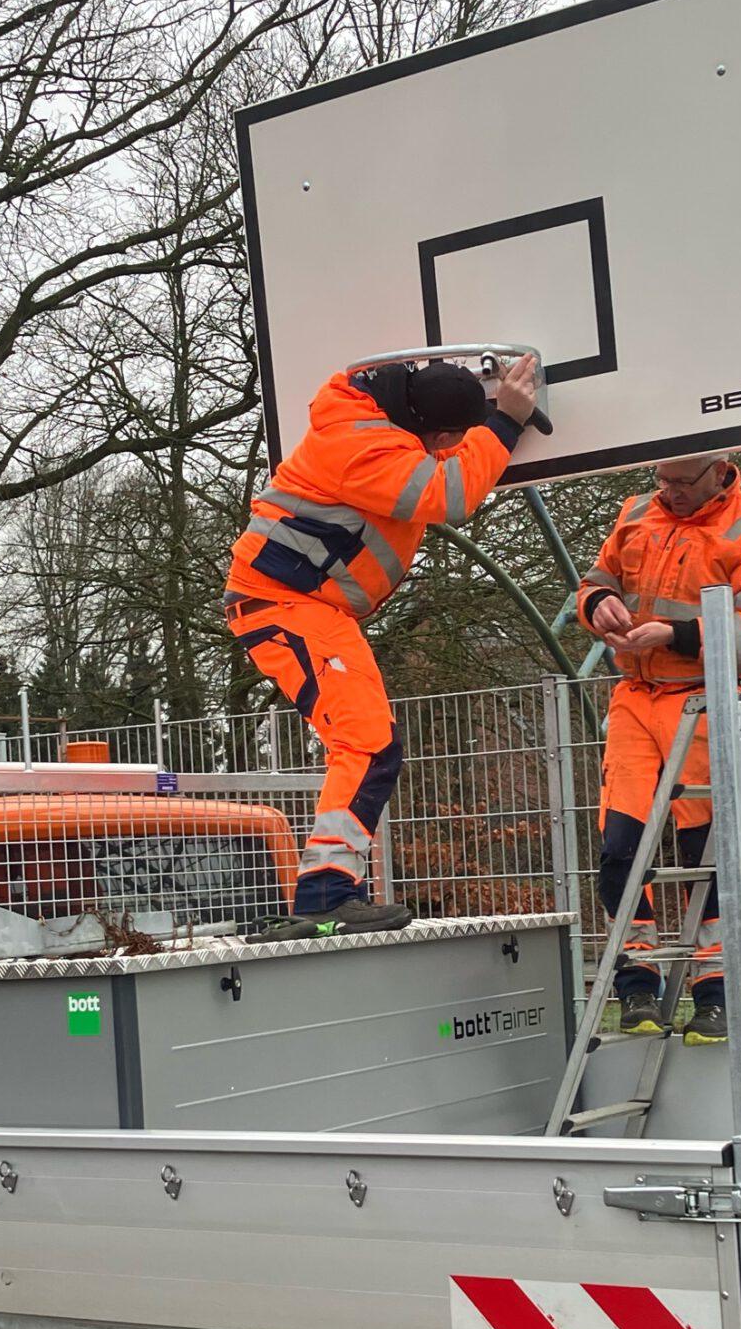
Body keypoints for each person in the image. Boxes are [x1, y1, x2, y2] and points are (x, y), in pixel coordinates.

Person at [227, 352, 543, 940]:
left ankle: (327, 892)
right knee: (367, 744)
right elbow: (449, 494)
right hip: (284, 605)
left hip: (309, 605)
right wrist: (505, 421)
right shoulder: (365, 446)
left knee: (372, 745)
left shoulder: (379, 418)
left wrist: (492, 417)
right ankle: (325, 895)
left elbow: (443, 458)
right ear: (440, 429)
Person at [576, 453, 741, 1040]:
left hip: (701, 701)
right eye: (661, 480)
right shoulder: (634, 513)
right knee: (620, 847)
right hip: (633, 697)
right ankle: (636, 986)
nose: (667, 492)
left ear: (720, 471)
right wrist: (597, 604)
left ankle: (714, 995)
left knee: (706, 854)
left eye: (681, 482)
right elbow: (596, 581)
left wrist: (677, 634)